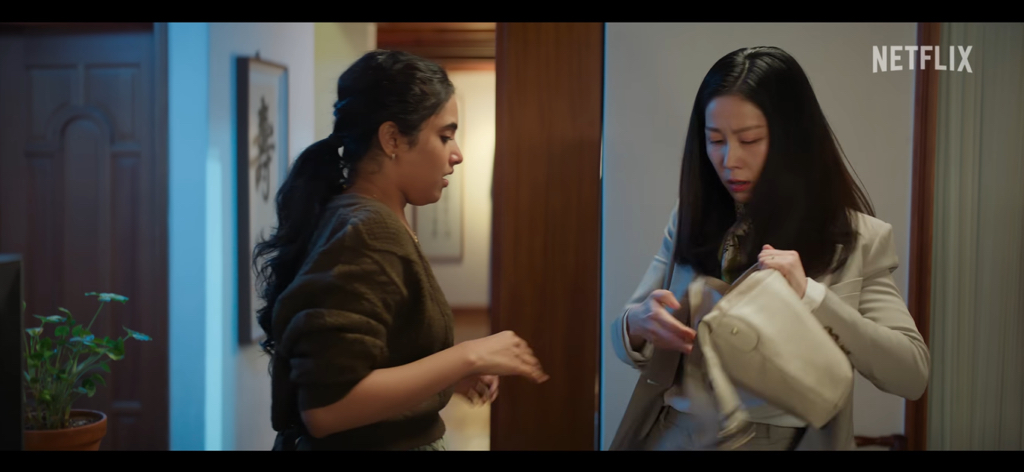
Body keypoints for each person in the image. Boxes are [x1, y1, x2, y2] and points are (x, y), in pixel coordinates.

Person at [609, 46, 930, 450]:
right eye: (715, 140)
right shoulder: (689, 218)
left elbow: (911, 375)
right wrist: (637, 324)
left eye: (749, 140)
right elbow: (626, 335)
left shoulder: (857, 238)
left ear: (793, 140)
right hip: (676, 432)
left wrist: (813, 296)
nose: (730, 160)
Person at [253, 50, 549, 451]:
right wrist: (467, 357)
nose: (457, 154)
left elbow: (371, 358)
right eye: (445, 136)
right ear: (392, 138)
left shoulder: (364, 217)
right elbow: (327, 409)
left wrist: (445, 377)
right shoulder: (369, 231)